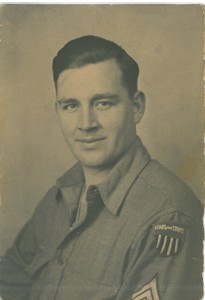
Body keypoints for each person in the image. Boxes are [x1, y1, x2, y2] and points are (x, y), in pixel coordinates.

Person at [0, 35, 203, 300]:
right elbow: (8, 282)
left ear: (137, 107)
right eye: (71, 105)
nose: (86, 123)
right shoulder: (60, 197)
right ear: (58, 110)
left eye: (103, 103)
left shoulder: (168, 218)